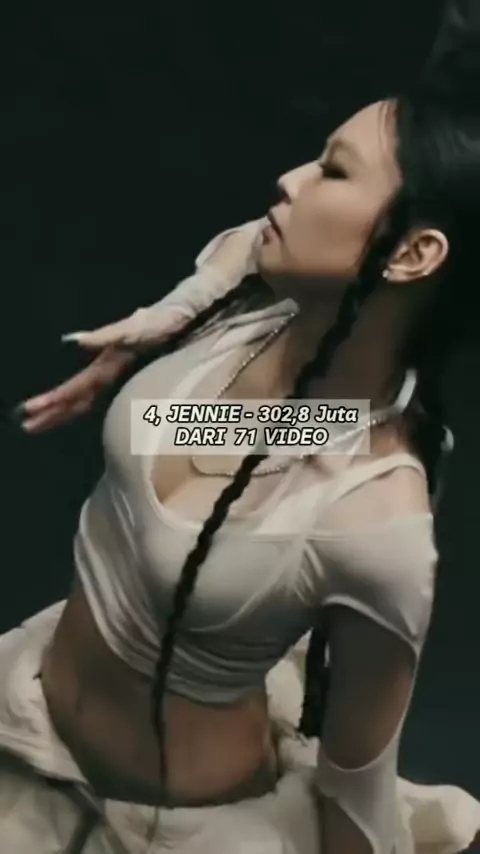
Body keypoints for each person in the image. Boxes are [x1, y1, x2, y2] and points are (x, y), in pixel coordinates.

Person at [3, 8, 480, 854]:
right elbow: (230, 260)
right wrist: (157, 323)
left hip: (166, 830)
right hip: (25, 719)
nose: (291, 180)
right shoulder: (255, 305)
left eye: (333, 172)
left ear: (411, 255)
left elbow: (358, 786)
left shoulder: (375, 526)